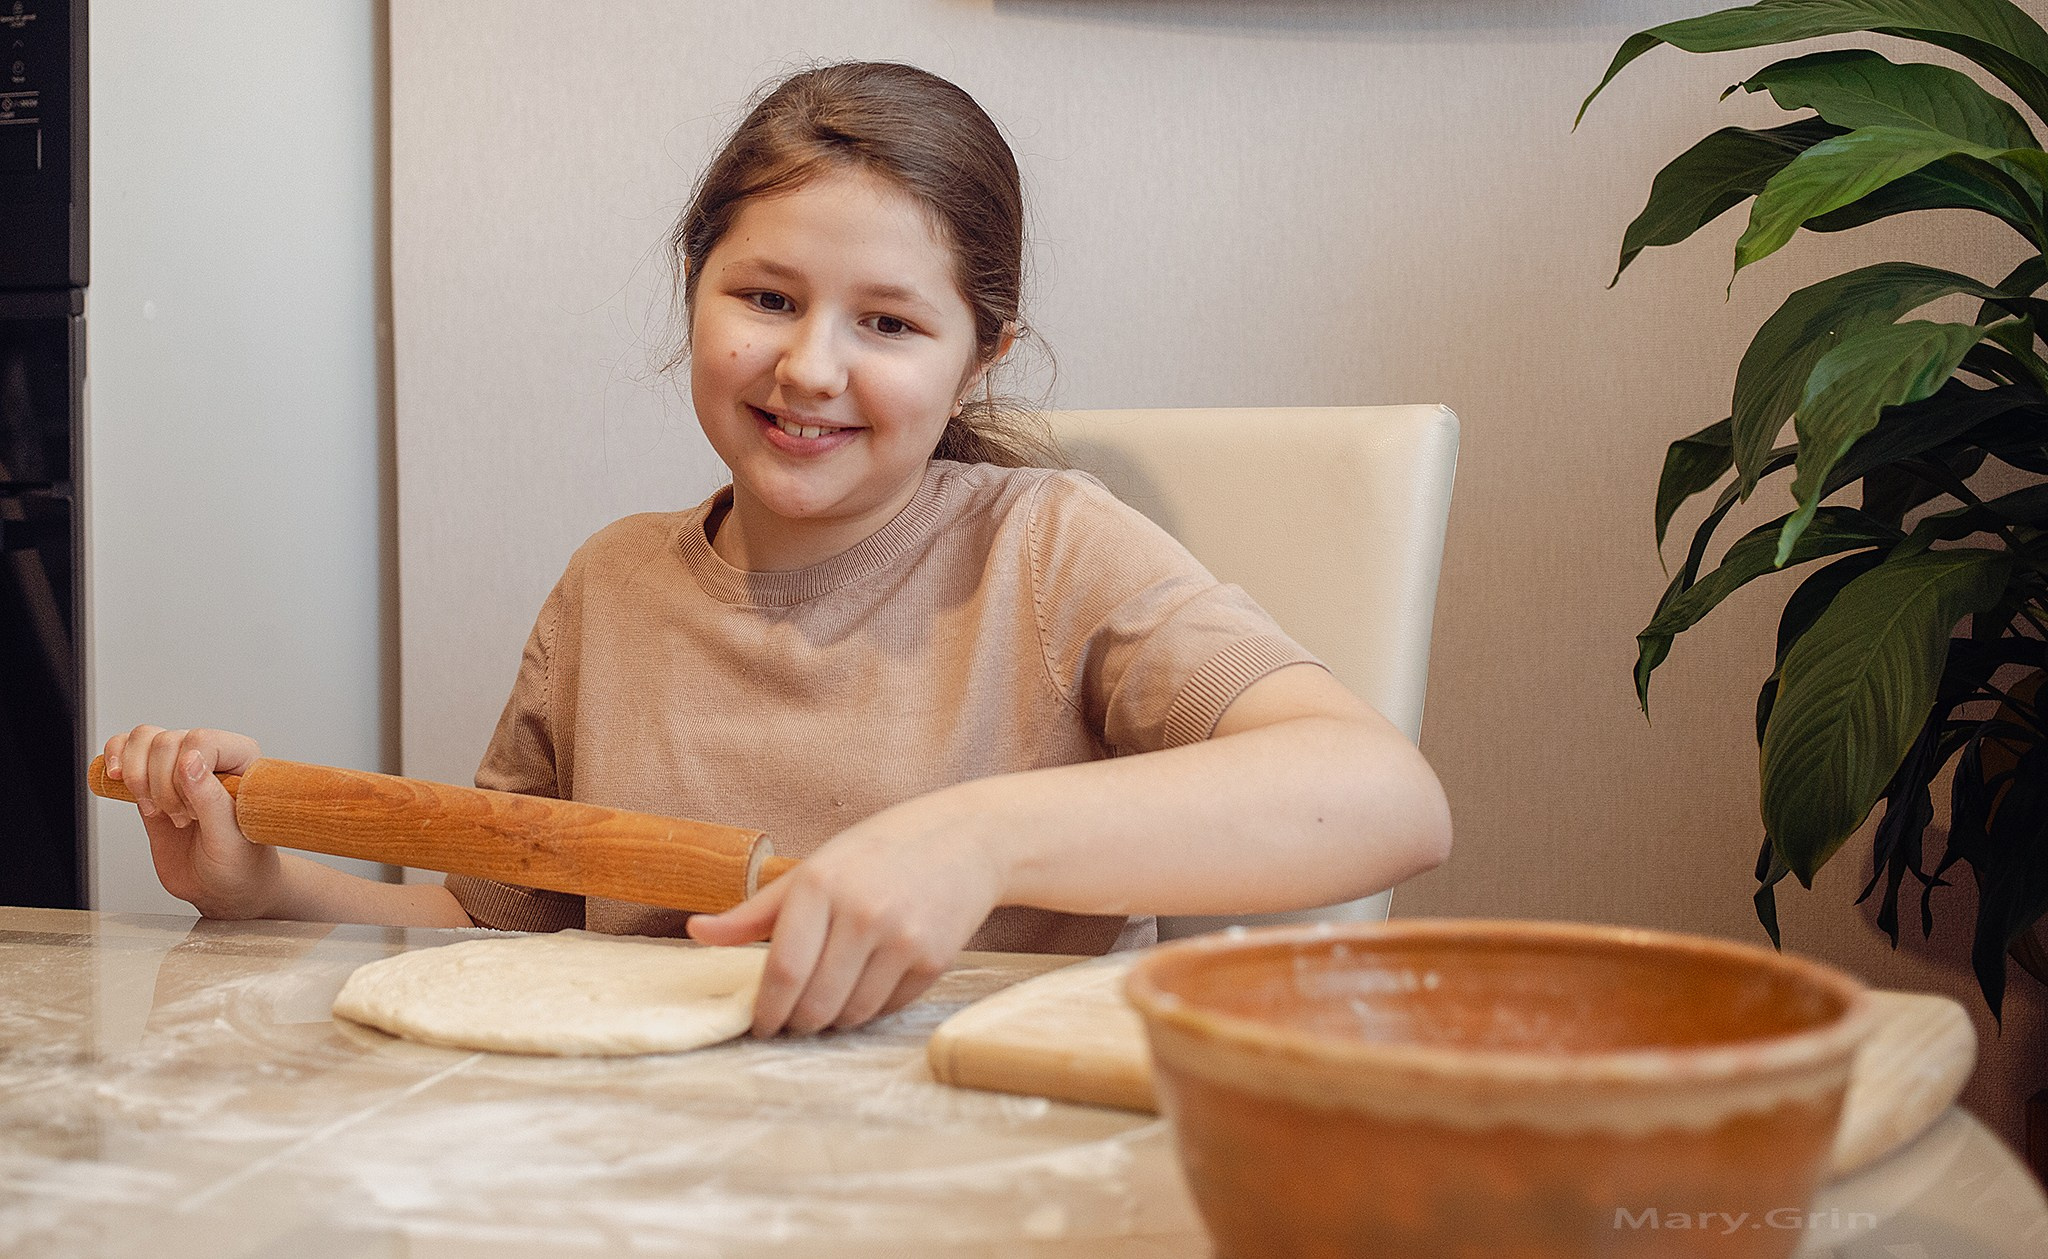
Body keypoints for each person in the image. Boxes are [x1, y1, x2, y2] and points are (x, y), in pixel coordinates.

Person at [103, 61, 1451, 1038]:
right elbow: (498, 939)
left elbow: (1386, 798)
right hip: (646, 1170)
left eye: (890, 324)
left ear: (982, 354)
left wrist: (975, 843)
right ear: (693, 292)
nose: (810, 366)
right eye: (765, 298)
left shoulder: (1046, 551)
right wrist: (264, 885)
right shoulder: (611, 586)